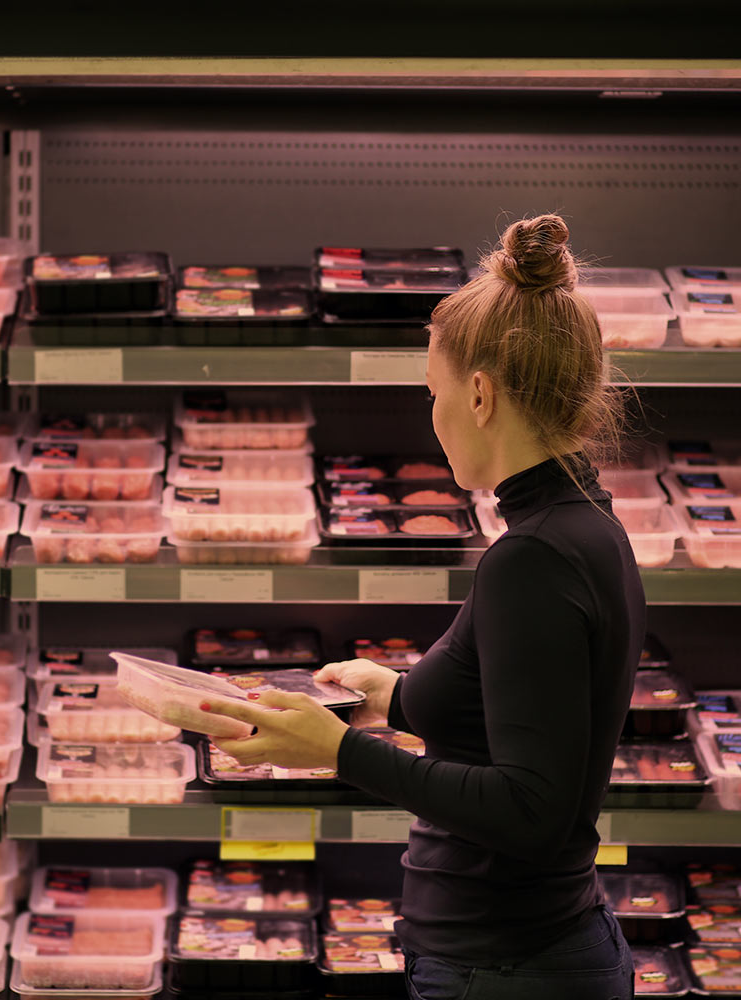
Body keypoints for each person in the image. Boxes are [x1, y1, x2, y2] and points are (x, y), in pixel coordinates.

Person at [199, 214, 644, 1000]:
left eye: (432, 393)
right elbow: (524, 725)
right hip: (522, 955)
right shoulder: (583, 525)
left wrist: (337, 751)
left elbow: (532, 808)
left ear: (478, 394)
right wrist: (392, 694)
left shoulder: (532, 558)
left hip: (509, 970)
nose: (429, 417)